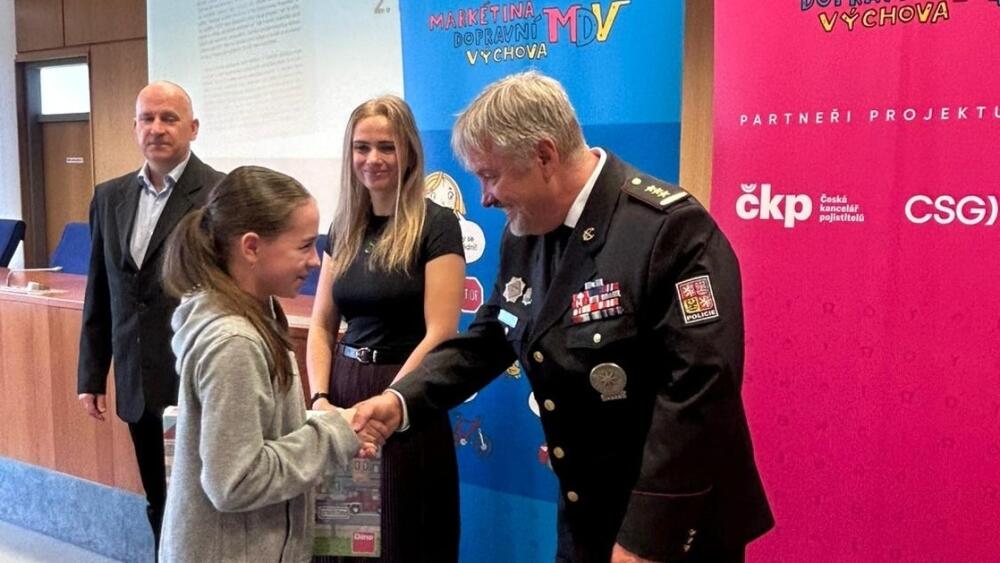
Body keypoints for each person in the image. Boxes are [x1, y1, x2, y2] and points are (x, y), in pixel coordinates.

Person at [352, 71, 774, 563]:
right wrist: (400, 401)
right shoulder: (526, 231)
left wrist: (646, 539)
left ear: (545, 156)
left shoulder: (669, 229)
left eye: (490, 175)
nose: (485, 197)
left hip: (674, 522)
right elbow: (491, 337)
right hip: (587, 510)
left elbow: (700, 390)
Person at [159, 165, 372, 563]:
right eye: (304, 246)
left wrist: (332, 427)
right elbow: (235, 481)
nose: (315, 261)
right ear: (252, 247)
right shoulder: (234, 344)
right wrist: (332, 435)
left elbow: (261, 434)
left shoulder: (259, 316)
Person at [307, 95, 465, 562]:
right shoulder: (343, 226)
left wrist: (390, 403)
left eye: (386, 147)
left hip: (406, 397)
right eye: (362, 147)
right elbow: (321, 325)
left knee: (402, 540)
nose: (372, 159)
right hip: (341, 395)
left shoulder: (437, 225)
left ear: (409, 152)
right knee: (342, 542)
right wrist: (320, 400)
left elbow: (441, 332)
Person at [76, 81, 224, 556]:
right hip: (139, 381)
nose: (156, 128)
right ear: (135, 127)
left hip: (199, 379)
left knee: (207, 503)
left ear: (193, 128)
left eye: (169, 118)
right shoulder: (109, 196)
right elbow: (101, 290)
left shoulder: (220, 193)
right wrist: (91, 374)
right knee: (159, 501)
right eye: (147, 118)